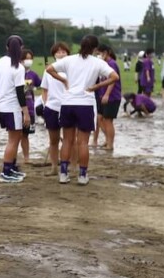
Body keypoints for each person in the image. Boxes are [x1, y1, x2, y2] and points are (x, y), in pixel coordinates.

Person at [46, 35, 119, 185]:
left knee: (67, 140)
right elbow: (114, 76)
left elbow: (49, 69)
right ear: (95, 49)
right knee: (83, 142)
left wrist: (64, 80)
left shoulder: (69, 59)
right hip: (85, 103)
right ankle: (82, 175)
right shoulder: (97, 62)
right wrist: (96, 86)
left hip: (67, 103)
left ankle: (64, 173)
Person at [0, 35, 29, 183]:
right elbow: (20, 92)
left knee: (15, 137)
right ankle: (6, 171)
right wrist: (26, 112)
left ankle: (12, 167)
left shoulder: (0, 61)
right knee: (13, 140)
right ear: (21, 48)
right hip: (12, 107)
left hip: (1, 106)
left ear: (7, 47)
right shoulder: (18, 67)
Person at [40, 42, 70, 176]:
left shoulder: (72, 69)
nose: (61, 54)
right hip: (52, 108)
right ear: (54, 54)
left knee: (70, 140)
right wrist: (46, 104)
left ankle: (71, 166)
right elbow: (44, 90)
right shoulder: (48, 70)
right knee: (53, 140)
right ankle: (54, 167)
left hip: (68, 107)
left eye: (63, 51)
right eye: (58, 52)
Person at [96, 45, 122, 151]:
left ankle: (110, 144)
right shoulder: (103, 64)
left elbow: (113, 80)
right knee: (99, 118)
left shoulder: (112, 64)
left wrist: (107, 94)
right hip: (102, 96)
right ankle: (107, 139)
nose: (98, 55)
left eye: (100, 53)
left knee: (108, 120)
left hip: (112, 97)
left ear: (106, 53)